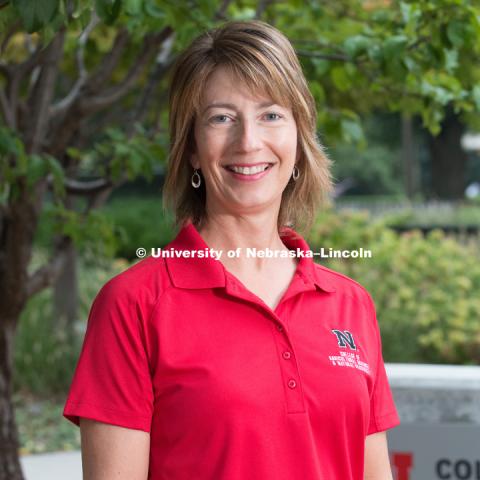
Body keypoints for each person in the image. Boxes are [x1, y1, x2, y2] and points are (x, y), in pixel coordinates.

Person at [63, 20, 400, 480]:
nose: (248, 142)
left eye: (271, 115)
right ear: (193, 150)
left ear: (299, 141)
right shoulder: (133, 305)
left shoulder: (350, 305)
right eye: (221, 118)